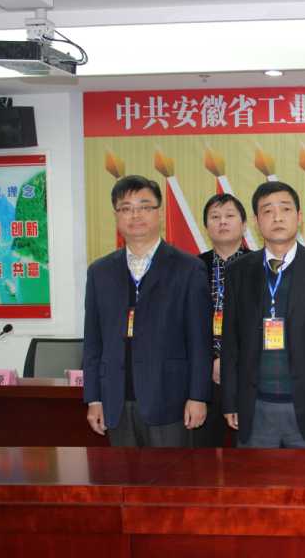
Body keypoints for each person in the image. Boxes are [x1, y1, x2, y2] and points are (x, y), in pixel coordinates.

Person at [221, 181, 305, 448]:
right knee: (255, 477)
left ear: (299, 217)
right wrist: (230, 400)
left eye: (285, 209)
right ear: (256, 222)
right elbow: (231, 344)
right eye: (268, 211)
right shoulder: (239, 271)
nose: (277, 217)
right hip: (255, 408)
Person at [83, 175, 211, 447]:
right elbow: (93, 341)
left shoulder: (188, 268)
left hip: (171, 400)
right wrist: (93, 398)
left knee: (169, 475)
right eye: (126, 208)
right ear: (116, 216)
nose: (135, 215)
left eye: (144, 206)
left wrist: (198, 396)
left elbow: (200, 340)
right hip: (116, 400)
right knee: (123, 474)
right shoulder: (99, 272)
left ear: (159, 213)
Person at [191, 193, 251, 447]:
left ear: (244, 224)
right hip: (201, 376)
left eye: (229, 216)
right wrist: (211, 360)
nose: (222, 222)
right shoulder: (192, 267)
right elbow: (186, 325)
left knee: (247, 454)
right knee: (200, 455)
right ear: (206, 227)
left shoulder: (260, 266)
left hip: (247, 375)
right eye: (215, 217)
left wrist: (229, 360)